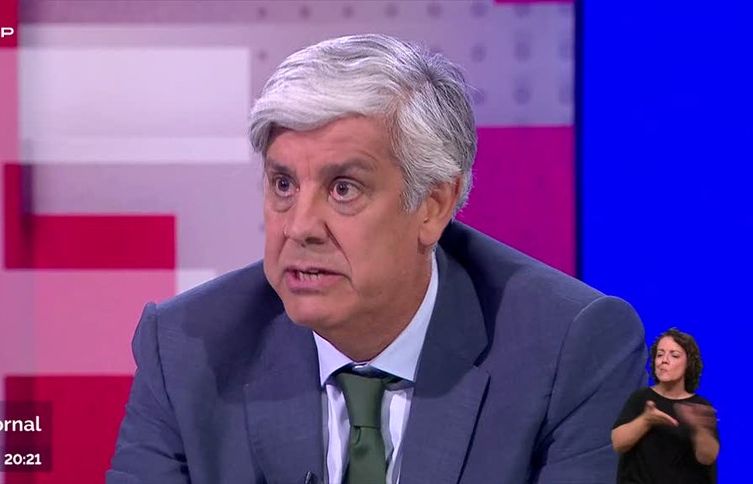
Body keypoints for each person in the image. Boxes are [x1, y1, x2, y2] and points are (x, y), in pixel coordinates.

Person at [107, 33, 648, 483]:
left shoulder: (570, 348)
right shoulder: (187, 348)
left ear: (433, 206)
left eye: (343, 188)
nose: (299, 227)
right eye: (283, 184)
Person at [612, 328, 719, 483]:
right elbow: (618, 443)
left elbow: (708, 458)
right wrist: (646, 420)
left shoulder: (699, 407)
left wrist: (700, 429)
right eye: (660, 354)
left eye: (674, 355)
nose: (664, 360)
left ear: (689, 363)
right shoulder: (640, 399)